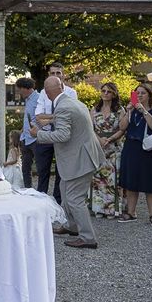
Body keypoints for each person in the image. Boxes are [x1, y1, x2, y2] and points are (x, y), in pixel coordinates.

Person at [31, 76, 105, 249]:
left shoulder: (63, 107)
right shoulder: (73, 103)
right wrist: (51, 121)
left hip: (79, 160)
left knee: (74, 199)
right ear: (62, 87)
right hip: (83, 156)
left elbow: (63, 135)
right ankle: (71, 226)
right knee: (65, 192)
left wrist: (38, 134)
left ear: (48, 93)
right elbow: (73, 124)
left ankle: (88, 238)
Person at [118, 83, 152, 227]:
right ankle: (131, 212)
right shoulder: (132, 110)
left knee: (150, 182)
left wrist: (144, 110)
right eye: (137, 93)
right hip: (132, 147)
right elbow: (122, 127)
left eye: (142, 93)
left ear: (149, 96)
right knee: (131, 181)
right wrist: (128, 111)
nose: (139, 96)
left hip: (149, 150)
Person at [34, 62, 78, 205]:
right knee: (42, 172)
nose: (55, 76)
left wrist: (50, 118)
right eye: (52, 73)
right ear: (48, 75)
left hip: (62, 137)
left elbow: (72, 115)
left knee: (61, 173)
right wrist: (56, 117)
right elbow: (38, 117)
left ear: (63, 74)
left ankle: (58, 202)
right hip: (45, 137)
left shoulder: (71, 93)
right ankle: (41, 202)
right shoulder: (43, 92)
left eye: (58, 73)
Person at [89, 82, 126, 218]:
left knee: (112, 179)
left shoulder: (120, 110)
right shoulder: (94, 109)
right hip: (98, 147)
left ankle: (112, 210)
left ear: (114, 94)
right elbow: (90, 128)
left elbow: (122, 129)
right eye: (103, 91)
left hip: (114, 147)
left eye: (108, 91)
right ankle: (99, 208)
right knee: (98, 179)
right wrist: (99, 140)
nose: (105, 93)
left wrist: (110, 139)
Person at [14, 77, 39, 188]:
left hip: (36, 139)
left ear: (25, 88)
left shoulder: (38, 98)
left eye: (19, 89)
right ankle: (28, 190)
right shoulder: (28, 100)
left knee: (40, 168)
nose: (18, 92)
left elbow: (41, 117)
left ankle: (41, 193)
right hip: (26, 138)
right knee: (25, 168)